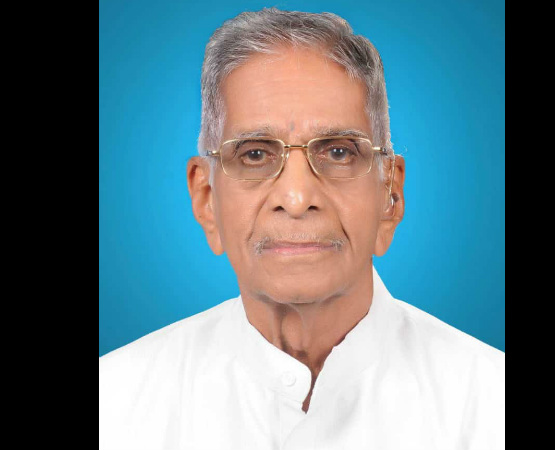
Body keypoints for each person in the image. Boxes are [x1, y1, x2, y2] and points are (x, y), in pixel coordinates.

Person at [99, 7, 504, 450]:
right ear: (206, 198)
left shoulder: (489, 404)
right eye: (255, 154)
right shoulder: (114, 405)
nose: (295, 198)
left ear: (390, 195)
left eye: (338, 152)